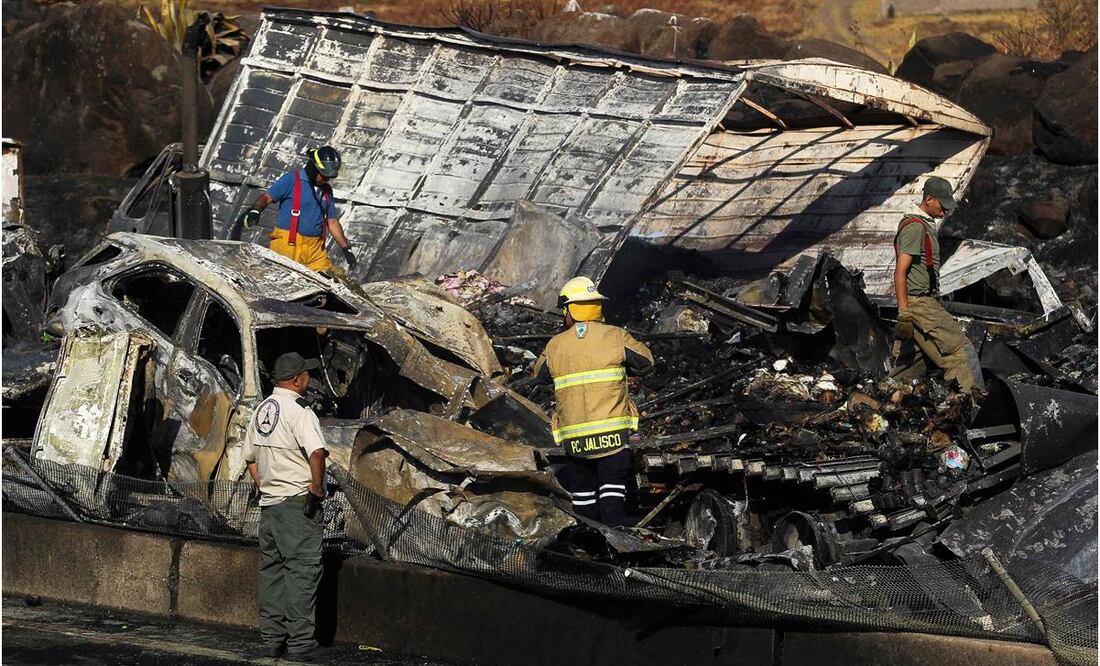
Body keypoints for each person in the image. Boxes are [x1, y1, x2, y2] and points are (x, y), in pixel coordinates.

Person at [531, 277, 654, 527]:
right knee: (613, 492)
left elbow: (539, 375)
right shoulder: (616, 336)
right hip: (613, 437)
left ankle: (589, 548)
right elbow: (646, 363)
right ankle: (616, 548)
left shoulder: (555, 345)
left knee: (583, 495)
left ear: (570, 311)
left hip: (575, 441)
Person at [243, 352, 334, 660]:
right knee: (301, 572)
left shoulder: (261, 410)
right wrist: (317, 488)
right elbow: (317, 453)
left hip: (270, 507)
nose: (309, 379)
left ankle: (271, 639)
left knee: (272, 572)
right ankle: (300, 644)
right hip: (297, 505)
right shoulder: (300, 411)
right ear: (298, 380)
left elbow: (251, 460)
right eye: (307, 375)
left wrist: (266, 485)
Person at [892, 176, 985, 395]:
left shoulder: (923, 225)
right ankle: (973, 404)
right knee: (961, 351)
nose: (945, 211)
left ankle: (889, 402)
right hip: (919, 302)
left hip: (918, 302)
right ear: (929, 199)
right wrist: (904, 311)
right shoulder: (915, 227)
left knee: (910, 362)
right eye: (942, 205)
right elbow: (900, 272)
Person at [238, 146, 356, 273]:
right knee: (280, 280)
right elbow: (266, 197)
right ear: (313, 168)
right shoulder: (292, 180)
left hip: (315, 250)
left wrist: (346, 248)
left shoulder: (326, 190)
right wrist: (256, 211)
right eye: (324, 176)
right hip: (288, 245)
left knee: (330, 280)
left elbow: (332, 222)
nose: (327, 180)